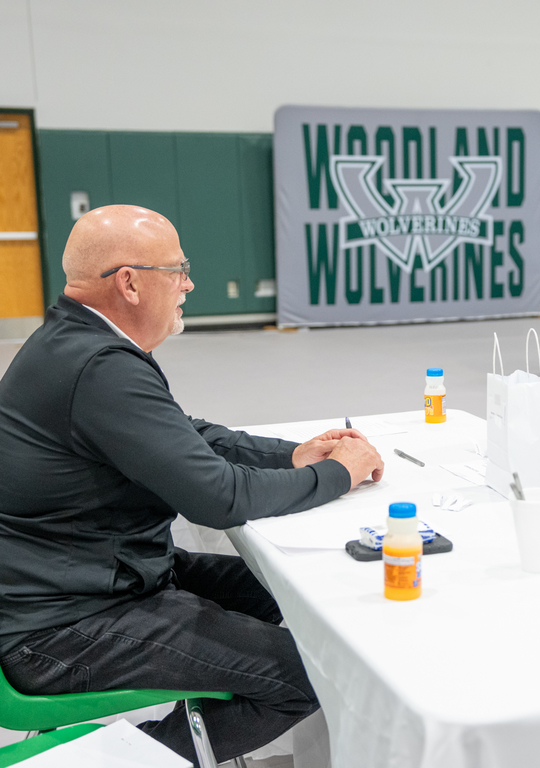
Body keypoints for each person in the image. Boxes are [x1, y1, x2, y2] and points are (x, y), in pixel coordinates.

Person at [0, 206, 385, 764]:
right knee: (313, 674)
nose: (189, 283)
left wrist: (293, 455)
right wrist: (337, 474)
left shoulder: (73, 341)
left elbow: (183, 434)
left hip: (96, 575)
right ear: (129, 282)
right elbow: (219, 498)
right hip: (65, 625)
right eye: (178, 268)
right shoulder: (99, 366)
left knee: (300, 591)